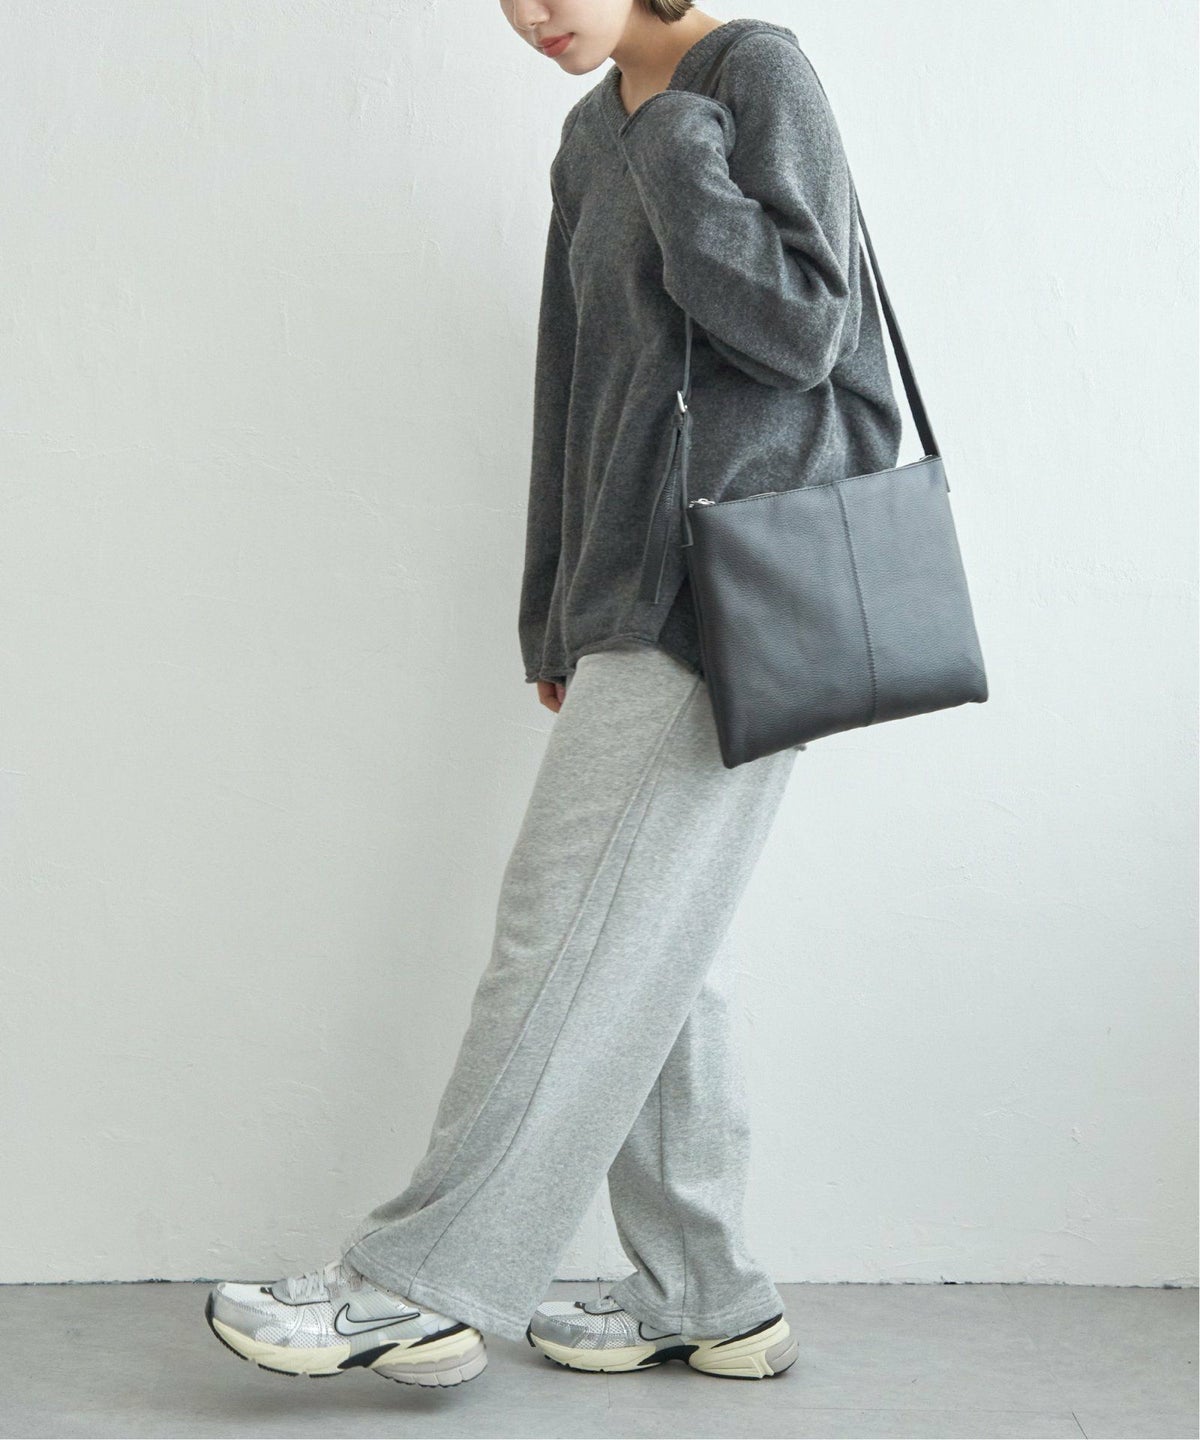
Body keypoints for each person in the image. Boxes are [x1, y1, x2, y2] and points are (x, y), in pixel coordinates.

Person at [204, 0, 902, 1390]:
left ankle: (419, 1286)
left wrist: (682, 148)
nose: (527, 13)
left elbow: (808, 332)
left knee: (563, 925)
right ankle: (706, 1293)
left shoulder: (750, 75)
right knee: (651, 948)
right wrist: (554, 601)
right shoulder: (589, 138)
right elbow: (574, 384)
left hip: (737, 585)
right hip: (632, 587)